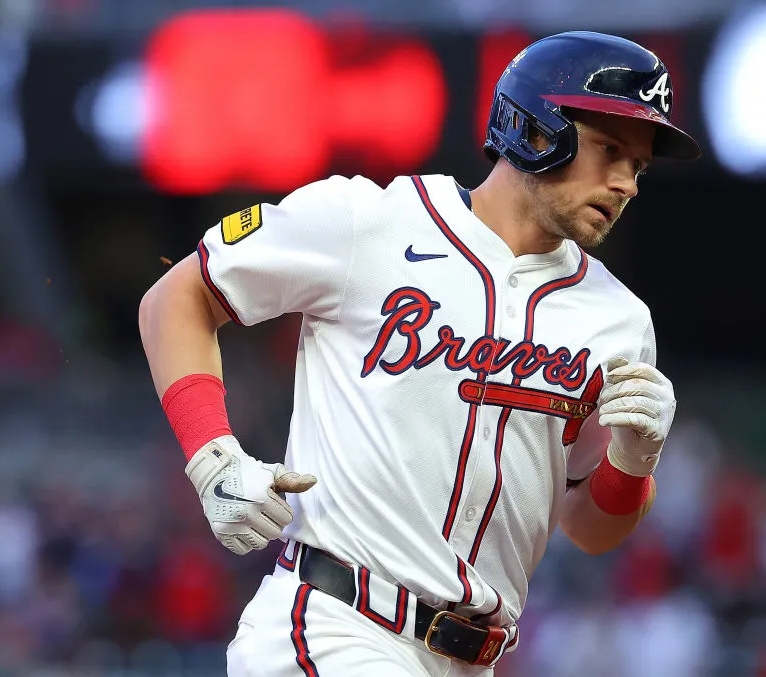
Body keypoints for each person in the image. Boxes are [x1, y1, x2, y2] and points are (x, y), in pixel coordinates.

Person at [138, 30, 700, 677]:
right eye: (609, 151)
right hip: (335, 623)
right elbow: (177, 296)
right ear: (537, 130)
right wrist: (214, 457)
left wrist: (633, 462)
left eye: (639, 166)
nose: (627, 183)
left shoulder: (620, 321)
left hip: (470, 659)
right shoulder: (369, 221)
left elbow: (588, 526)